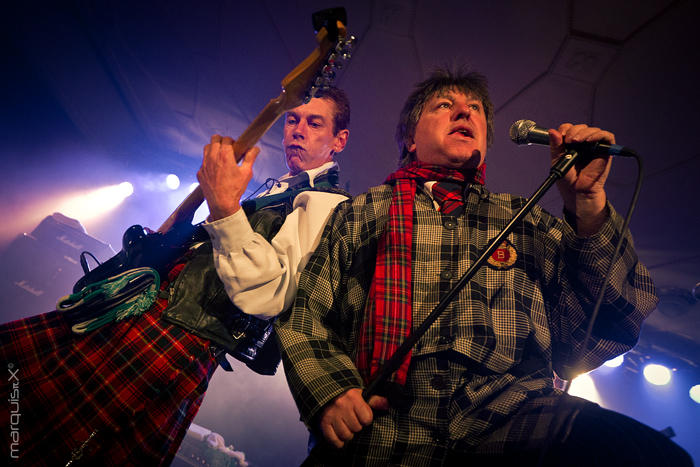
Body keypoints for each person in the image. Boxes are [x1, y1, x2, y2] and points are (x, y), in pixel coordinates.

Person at [275, 69, 692, 466]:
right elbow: (305, 316)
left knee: (648, 457)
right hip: (383, 426)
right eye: (443, 105)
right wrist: (330, 391)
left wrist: (588, 205)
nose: (464, 112)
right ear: (409, 138)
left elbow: (603, 330)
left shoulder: (527, 221)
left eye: (475, 108)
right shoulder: (362, 213)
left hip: (509, 415)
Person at [0, 87, 350, 466]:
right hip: (153, 318)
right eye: (292, 119)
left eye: (315, 124)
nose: (298, 130)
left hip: (177, 339)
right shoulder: (280, 190)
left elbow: (269, 295)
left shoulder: (326, 205)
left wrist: (225, 208)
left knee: (53, 434)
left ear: (339, 141)